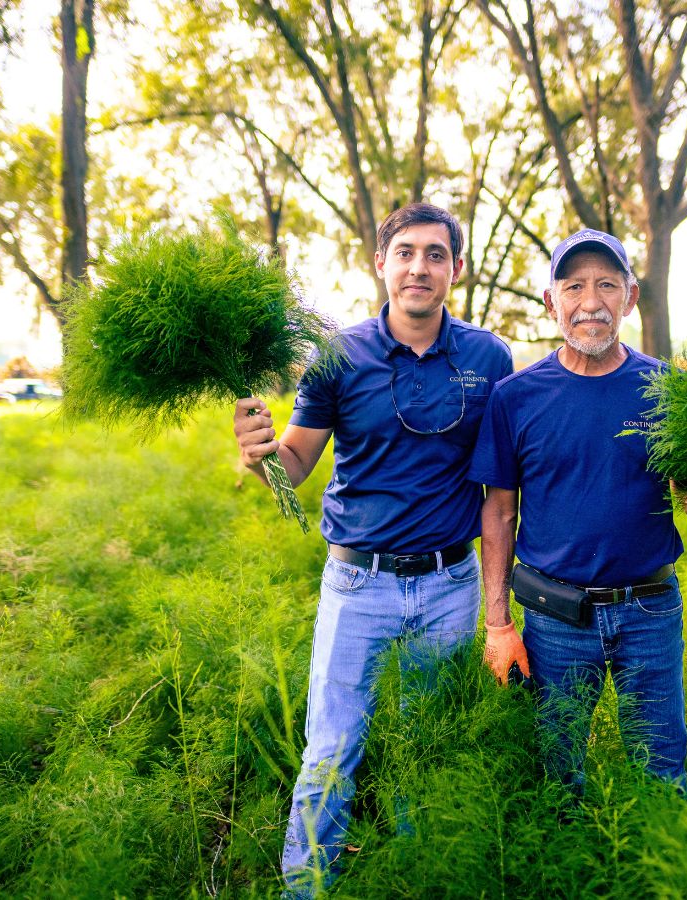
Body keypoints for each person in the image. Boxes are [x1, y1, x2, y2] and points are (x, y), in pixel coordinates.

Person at [233, 203, 513, 896]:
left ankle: (416, 873)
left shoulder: (488, 357)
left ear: (455, 267)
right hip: (359, 585)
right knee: (332, 747)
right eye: (406, 253)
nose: (420, 267)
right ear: (380, 263)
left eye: (437, 254)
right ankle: (307, 886)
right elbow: (295, 465)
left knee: (430, 743)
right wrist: (260, 454)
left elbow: (499, 487)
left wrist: (496, 609)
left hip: (451, 584)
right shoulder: (338, 356)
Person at [468, 228, 687, 795]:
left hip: (650, 613)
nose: (590, 302)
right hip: (556, 621)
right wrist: (498, 623)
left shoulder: (667, 389)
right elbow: (500, 514)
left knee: (661, 776)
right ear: (551, 300)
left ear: (629, 298)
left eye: (607, 285)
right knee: (555, 778)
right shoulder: (515, 397)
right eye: (574, 285)